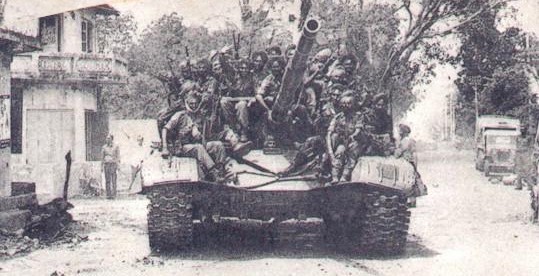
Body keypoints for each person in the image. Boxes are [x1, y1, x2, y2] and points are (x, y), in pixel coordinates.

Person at [161, 91, 228, 183]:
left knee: (218, 145)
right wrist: (165, 147)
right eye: (191, 103)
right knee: (198, 148)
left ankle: (221, 171)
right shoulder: (180, 115)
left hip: (199, 144)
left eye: (196, 103)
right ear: (187, 103)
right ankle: (213, 173)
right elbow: (165, 129)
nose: (194, 106)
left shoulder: (201, 116)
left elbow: (207, 135)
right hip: (183, 147)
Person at [102, 134, 120, 199]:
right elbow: (102, 157)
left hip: (113, 164)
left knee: (114, 180)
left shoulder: (116, 146)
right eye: (107, 138)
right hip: (106, 165)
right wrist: (101, 166)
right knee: (107, 180)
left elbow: (118, 156)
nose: (107, 140)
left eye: (109, 138)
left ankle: (114, 195)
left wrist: (118, 165)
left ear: (112, 139)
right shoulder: (104, 147)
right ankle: (108, 195)